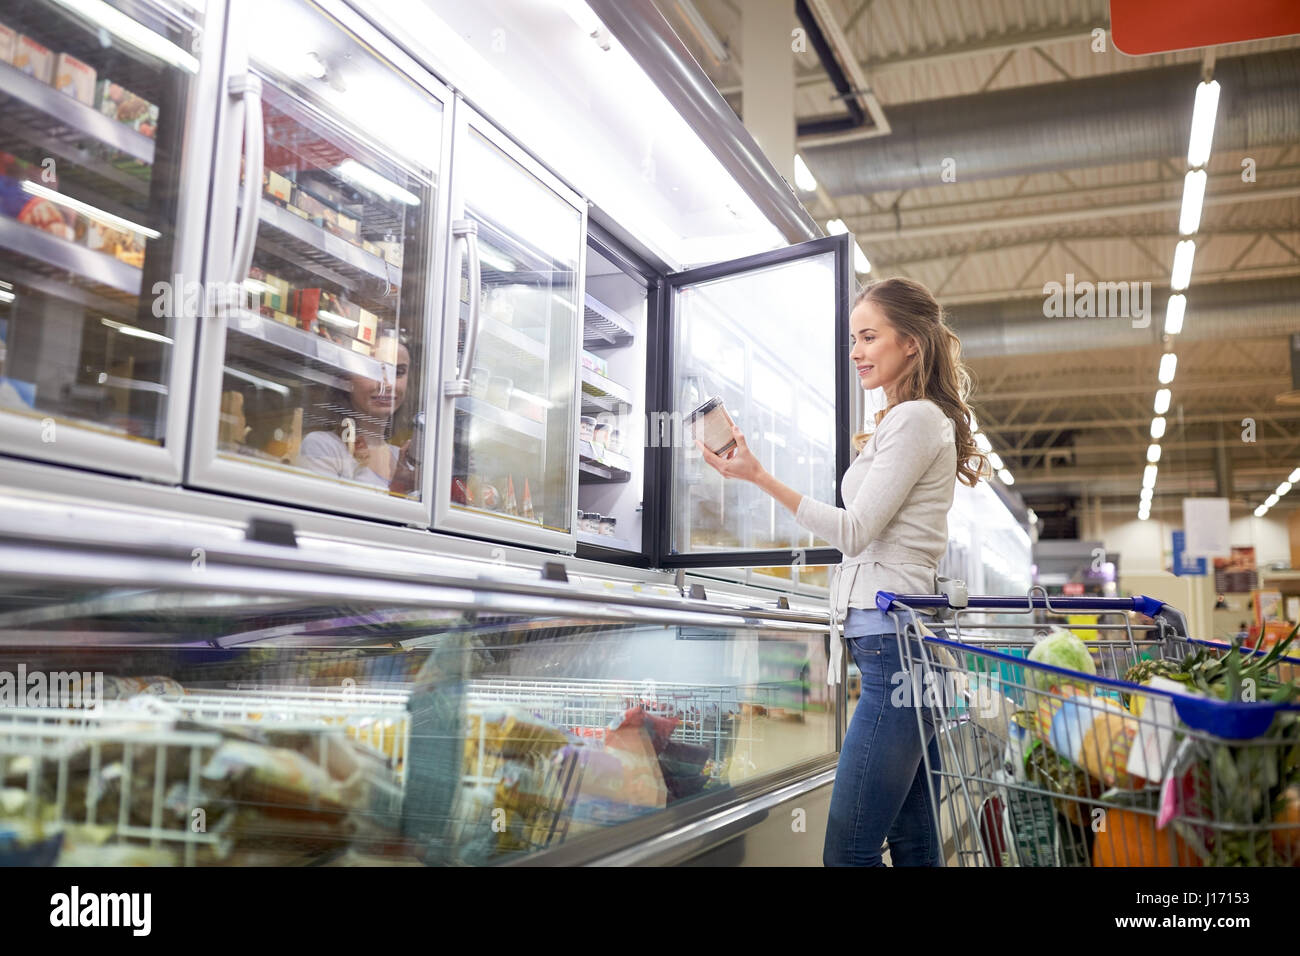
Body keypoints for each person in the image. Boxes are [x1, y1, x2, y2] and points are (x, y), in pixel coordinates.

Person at [696, 276, 987, 867]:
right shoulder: (909, 420)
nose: (855, 351)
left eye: (869, 336)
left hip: (894, 652)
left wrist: (759, 477)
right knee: (913, 841)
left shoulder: (914, 420)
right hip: (903, 647)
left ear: (911, 342)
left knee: (848, 849)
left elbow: (855, 531)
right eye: (853, 338)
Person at [298, 333, 418, 496]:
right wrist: (398, 488)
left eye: (398, 372)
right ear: (346, 379)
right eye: (372, 369)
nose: (387, 384)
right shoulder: (324, 447)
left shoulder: (407, 461)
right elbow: (326, 518)